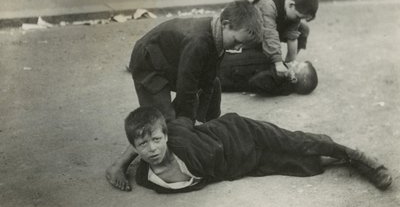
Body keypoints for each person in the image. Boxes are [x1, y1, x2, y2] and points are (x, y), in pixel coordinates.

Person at [106, 0, 263, 191]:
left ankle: (202, 130)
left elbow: (207, 81)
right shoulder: (199, 41)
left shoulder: (219, 36)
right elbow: (186, 90)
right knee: (162, 122)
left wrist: (204, 124)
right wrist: (186, 126)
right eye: (237, 42)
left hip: (171, 59)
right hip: (149, 63)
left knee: (213, 86)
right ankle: (119, 165)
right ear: (225, 24)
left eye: (242, 46)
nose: (237, 49)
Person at [124, 106, 392, 194]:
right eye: (143, 144)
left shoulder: (182, 141)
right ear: (134, 147)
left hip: (240, 132)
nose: (152, 148)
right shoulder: (146, 179)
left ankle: (356, 156)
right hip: (243, 165)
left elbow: (182, 122)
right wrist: (122, 164)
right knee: (303, 167)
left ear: (166, 136)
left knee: (293, 142)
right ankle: (335, 155)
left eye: (156, 140)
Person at [253, 0, 318, 78]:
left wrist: (290, 63)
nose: (298, 20)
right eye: (298, 16)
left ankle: (286, 64)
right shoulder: (268, 4)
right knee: (264, 62)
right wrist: (278, 62)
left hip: (274, 26)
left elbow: (292, 35)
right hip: (255, 31)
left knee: (303, 29)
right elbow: (269, 34)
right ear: (291, 5)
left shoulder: (294, 6)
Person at [219, 47, 318, 95]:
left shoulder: (279, 84)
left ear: (293, 78)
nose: (294, 62)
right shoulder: (282, 65)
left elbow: (255, 82)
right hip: (231, 60)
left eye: (296, 66)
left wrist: (279, 75)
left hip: (225, 75)